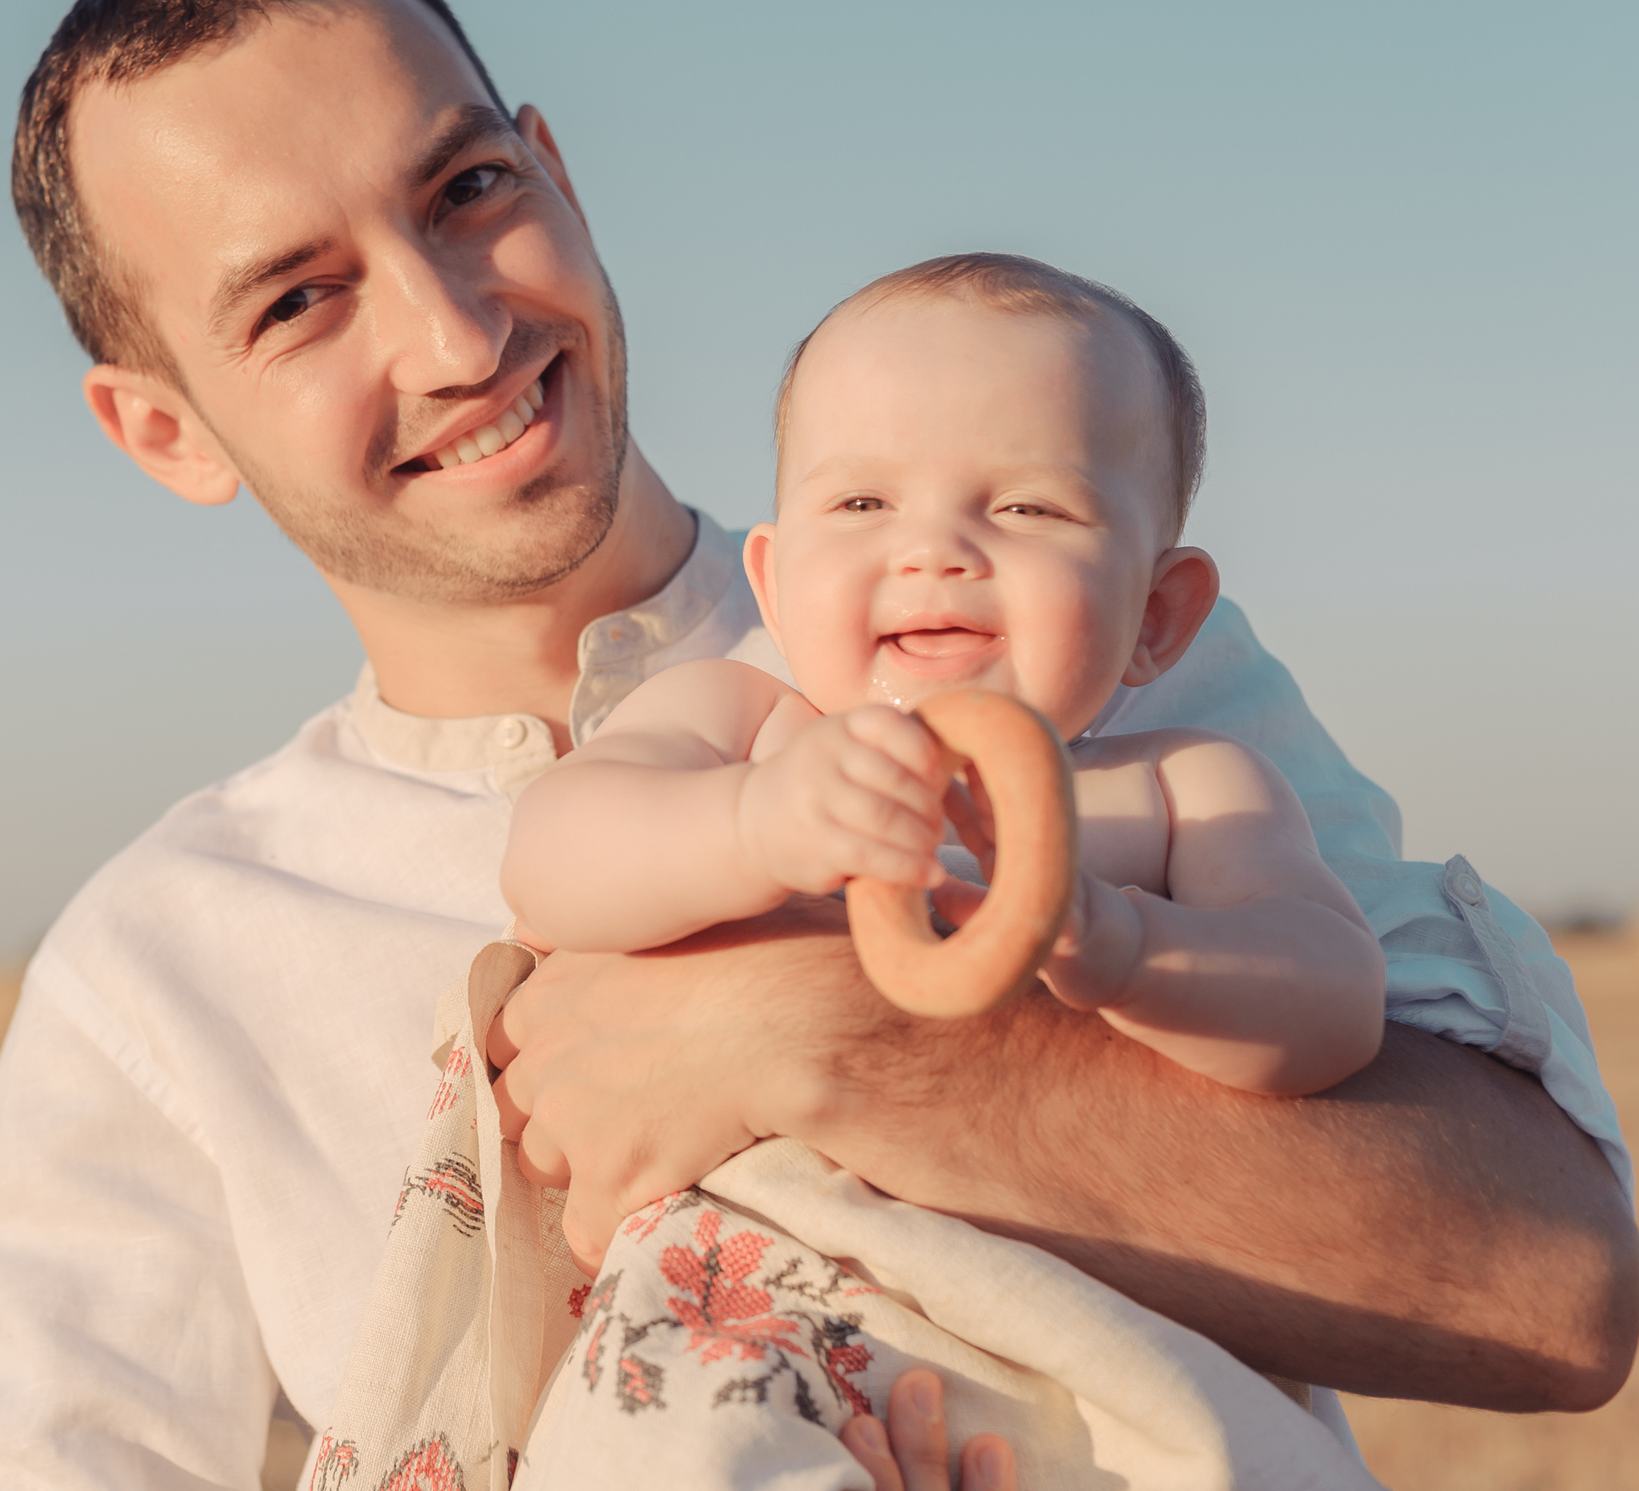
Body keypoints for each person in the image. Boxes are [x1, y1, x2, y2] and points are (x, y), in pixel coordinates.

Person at [0, 0, 1635, 1490]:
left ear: (557, 172)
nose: (452, 331)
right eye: (299, 298)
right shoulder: (166, 966)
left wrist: (828, 1044)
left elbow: (1557, 1287)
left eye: (468, 190)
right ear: (165, 429)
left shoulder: (1065, 659)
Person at [317, 255, 1399, 1489]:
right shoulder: (750, 729)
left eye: (1028, 508)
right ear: (772, 579)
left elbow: (1329, 1002)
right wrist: (752, 828)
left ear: (1158, 611)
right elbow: (556, 857)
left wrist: (1124, 943)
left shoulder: (1177, 789)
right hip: (749, 1339)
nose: (934, 550)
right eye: (863, 505)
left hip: (1107, 1371)